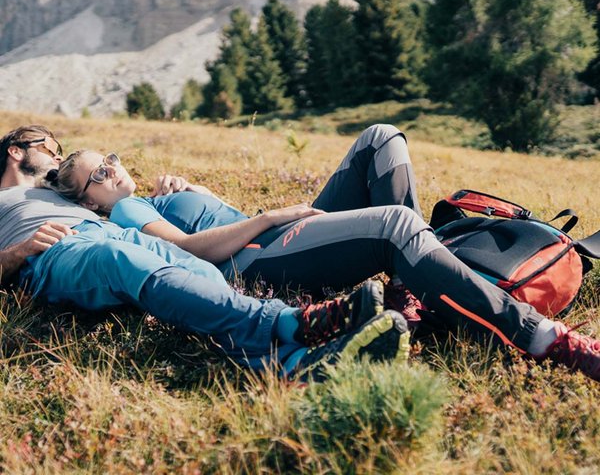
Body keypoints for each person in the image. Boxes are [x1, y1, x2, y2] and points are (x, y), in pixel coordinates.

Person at [45, 128, 600, 383]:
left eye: (110, 159)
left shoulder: (153, 194)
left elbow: (203, 217)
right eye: (97, 174)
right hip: (256, 260)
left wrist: (187, 191)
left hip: (279, 238)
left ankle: (413, 292)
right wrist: (267, 217)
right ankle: (544, 339)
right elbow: (190, 251)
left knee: (382, 139)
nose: (112, 170)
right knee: (398, 223)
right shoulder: (122, 213)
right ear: (85, 199)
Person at [0, 125, 410, 379]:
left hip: (107, 233)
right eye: (48, 145)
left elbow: (115, 201)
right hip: (57, 247)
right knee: (120, 263)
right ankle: (290, 324)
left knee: (196, 270)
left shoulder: (65, 192)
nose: (57, 152)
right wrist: (17, 253)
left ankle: (289, 362)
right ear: (16, 150)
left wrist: (169, 198)